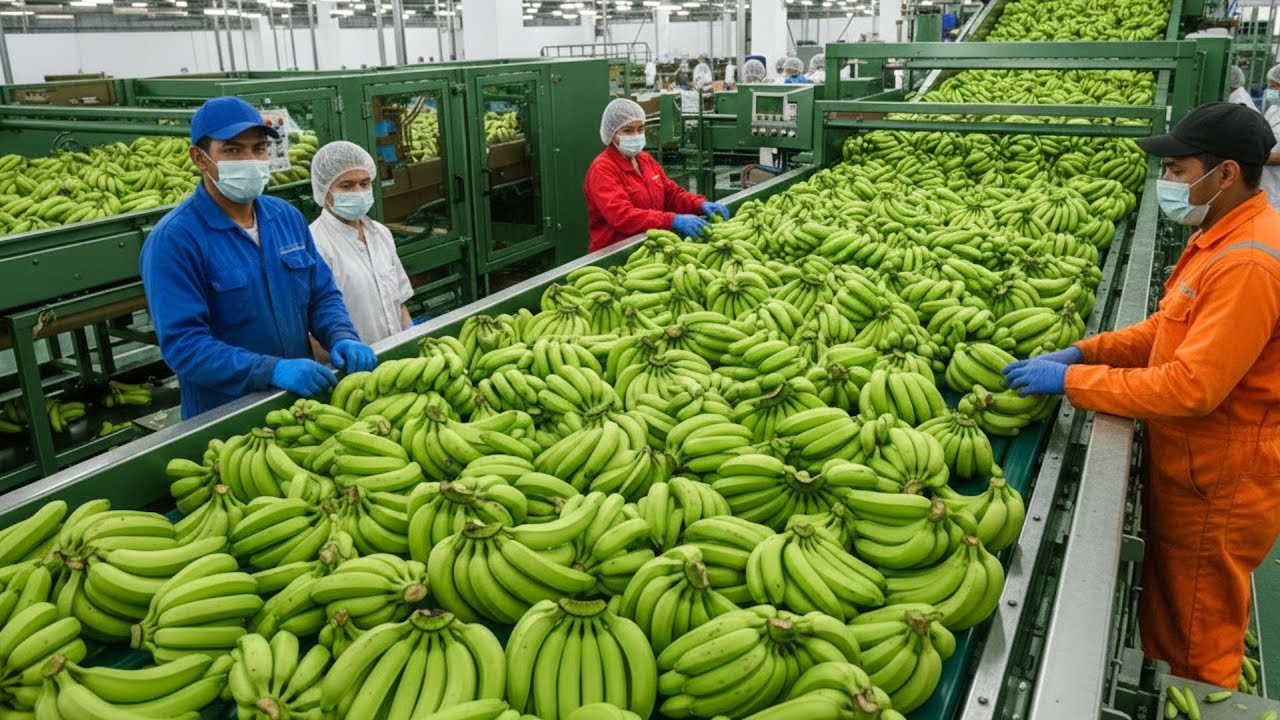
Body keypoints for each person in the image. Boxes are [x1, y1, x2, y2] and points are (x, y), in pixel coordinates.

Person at [1003, 102, 1280, 689]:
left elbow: (1191, 387)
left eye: (1178, 170)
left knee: (1196, 643)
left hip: (1218, 482)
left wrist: (1072, 383)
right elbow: (1166, 328)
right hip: (1190, 465)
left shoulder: (1249, 263)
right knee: (1172, 615)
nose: (1168, 183)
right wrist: (1087, 350)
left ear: (1225, 173)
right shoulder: (1220, 236)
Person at [140, 97, 377, 419]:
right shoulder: (175, 240)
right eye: (233, 150)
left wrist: (341, 335)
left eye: (259, 149)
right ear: (200, 158)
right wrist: (270, 370)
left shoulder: (286, 218)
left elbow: (322, 296)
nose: (250, 160)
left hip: (299, 405)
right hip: (224, 417)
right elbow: (185, 345)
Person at [584, 98, 730, 252]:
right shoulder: (602, 170)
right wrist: (673, 220)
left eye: (640, 129)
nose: (636, 135)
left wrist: (699, 204)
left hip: (651, 247)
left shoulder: (645, 160)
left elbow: (671, 194)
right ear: (612, 133)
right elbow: (622, 216)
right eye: (627, 130)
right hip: (616, 251)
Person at [308, 140, 414, 347]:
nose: (358, 191)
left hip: (397, 356)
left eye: (365, 183)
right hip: (352, 366)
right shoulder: (314, 244)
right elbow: (311, 328)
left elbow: (399, 303)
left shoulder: (381, 234)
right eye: (346, 186)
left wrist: (410, 336)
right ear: (323, 190)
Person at [1262, 65, 1280, 210]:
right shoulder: (1274, 109)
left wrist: (1255, 156)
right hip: (1266, 182)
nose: (1270, 92)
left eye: (1274, 87)